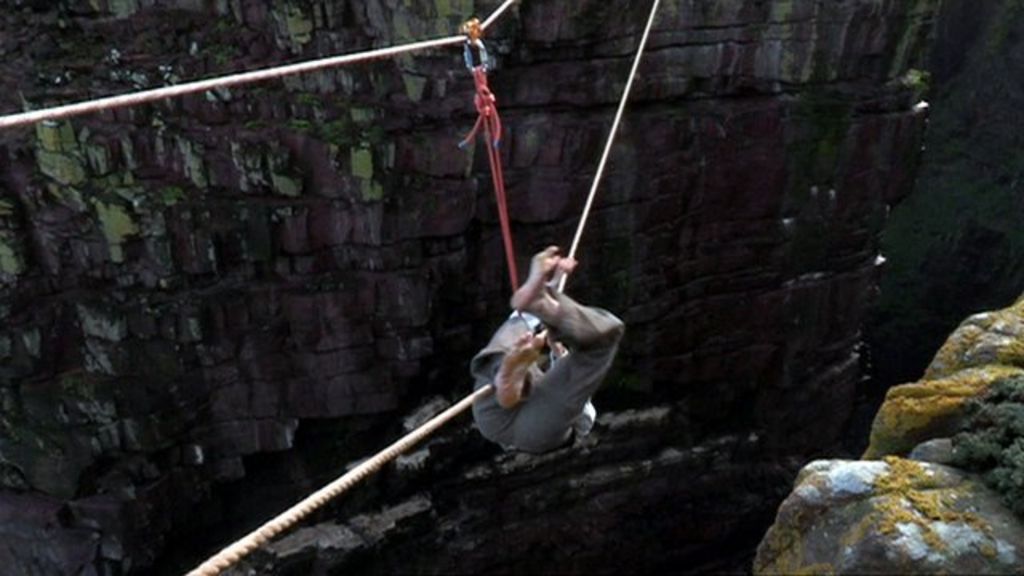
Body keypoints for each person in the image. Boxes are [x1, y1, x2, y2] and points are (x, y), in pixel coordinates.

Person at [470, 246, 625, 453]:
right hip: (520, 429)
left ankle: (505, 370)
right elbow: (570, 391)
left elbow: (571, 383)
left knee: (518, 334)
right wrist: (553, 283)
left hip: (494, 411)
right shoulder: (580, 421)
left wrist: (553, 284)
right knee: (523, 347)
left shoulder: (548, 384)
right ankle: (541, 307)